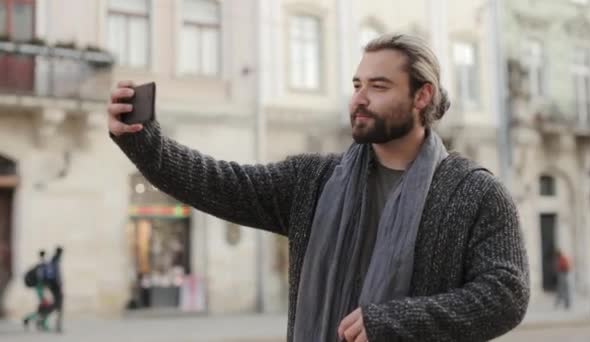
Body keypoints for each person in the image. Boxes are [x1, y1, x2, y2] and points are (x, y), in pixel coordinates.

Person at [107, 33, 529, 341]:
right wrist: (144, 142)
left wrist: (395, 322)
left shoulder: (474, 193)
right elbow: (220, 184)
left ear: (423, 97)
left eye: (378, 87)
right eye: (357, 85)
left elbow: (506, 294)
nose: (359, 99)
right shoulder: (314, 181)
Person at [22, 250, 51, 331]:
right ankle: (41, 323)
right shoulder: (42, 266)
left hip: (40, 289)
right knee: (46, 307)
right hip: (40, 289)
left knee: (43, 308)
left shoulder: (39, 265)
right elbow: (42, 279)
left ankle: (31, 320)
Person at [44, 246, 64, 333]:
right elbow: (56, 276)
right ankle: (57, 325)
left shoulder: (53, 260)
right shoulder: (55, 261)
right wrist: (59, 284)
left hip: (54, 286)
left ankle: (57, 324)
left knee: (57, 305)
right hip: (56, 287)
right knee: (58, 305)